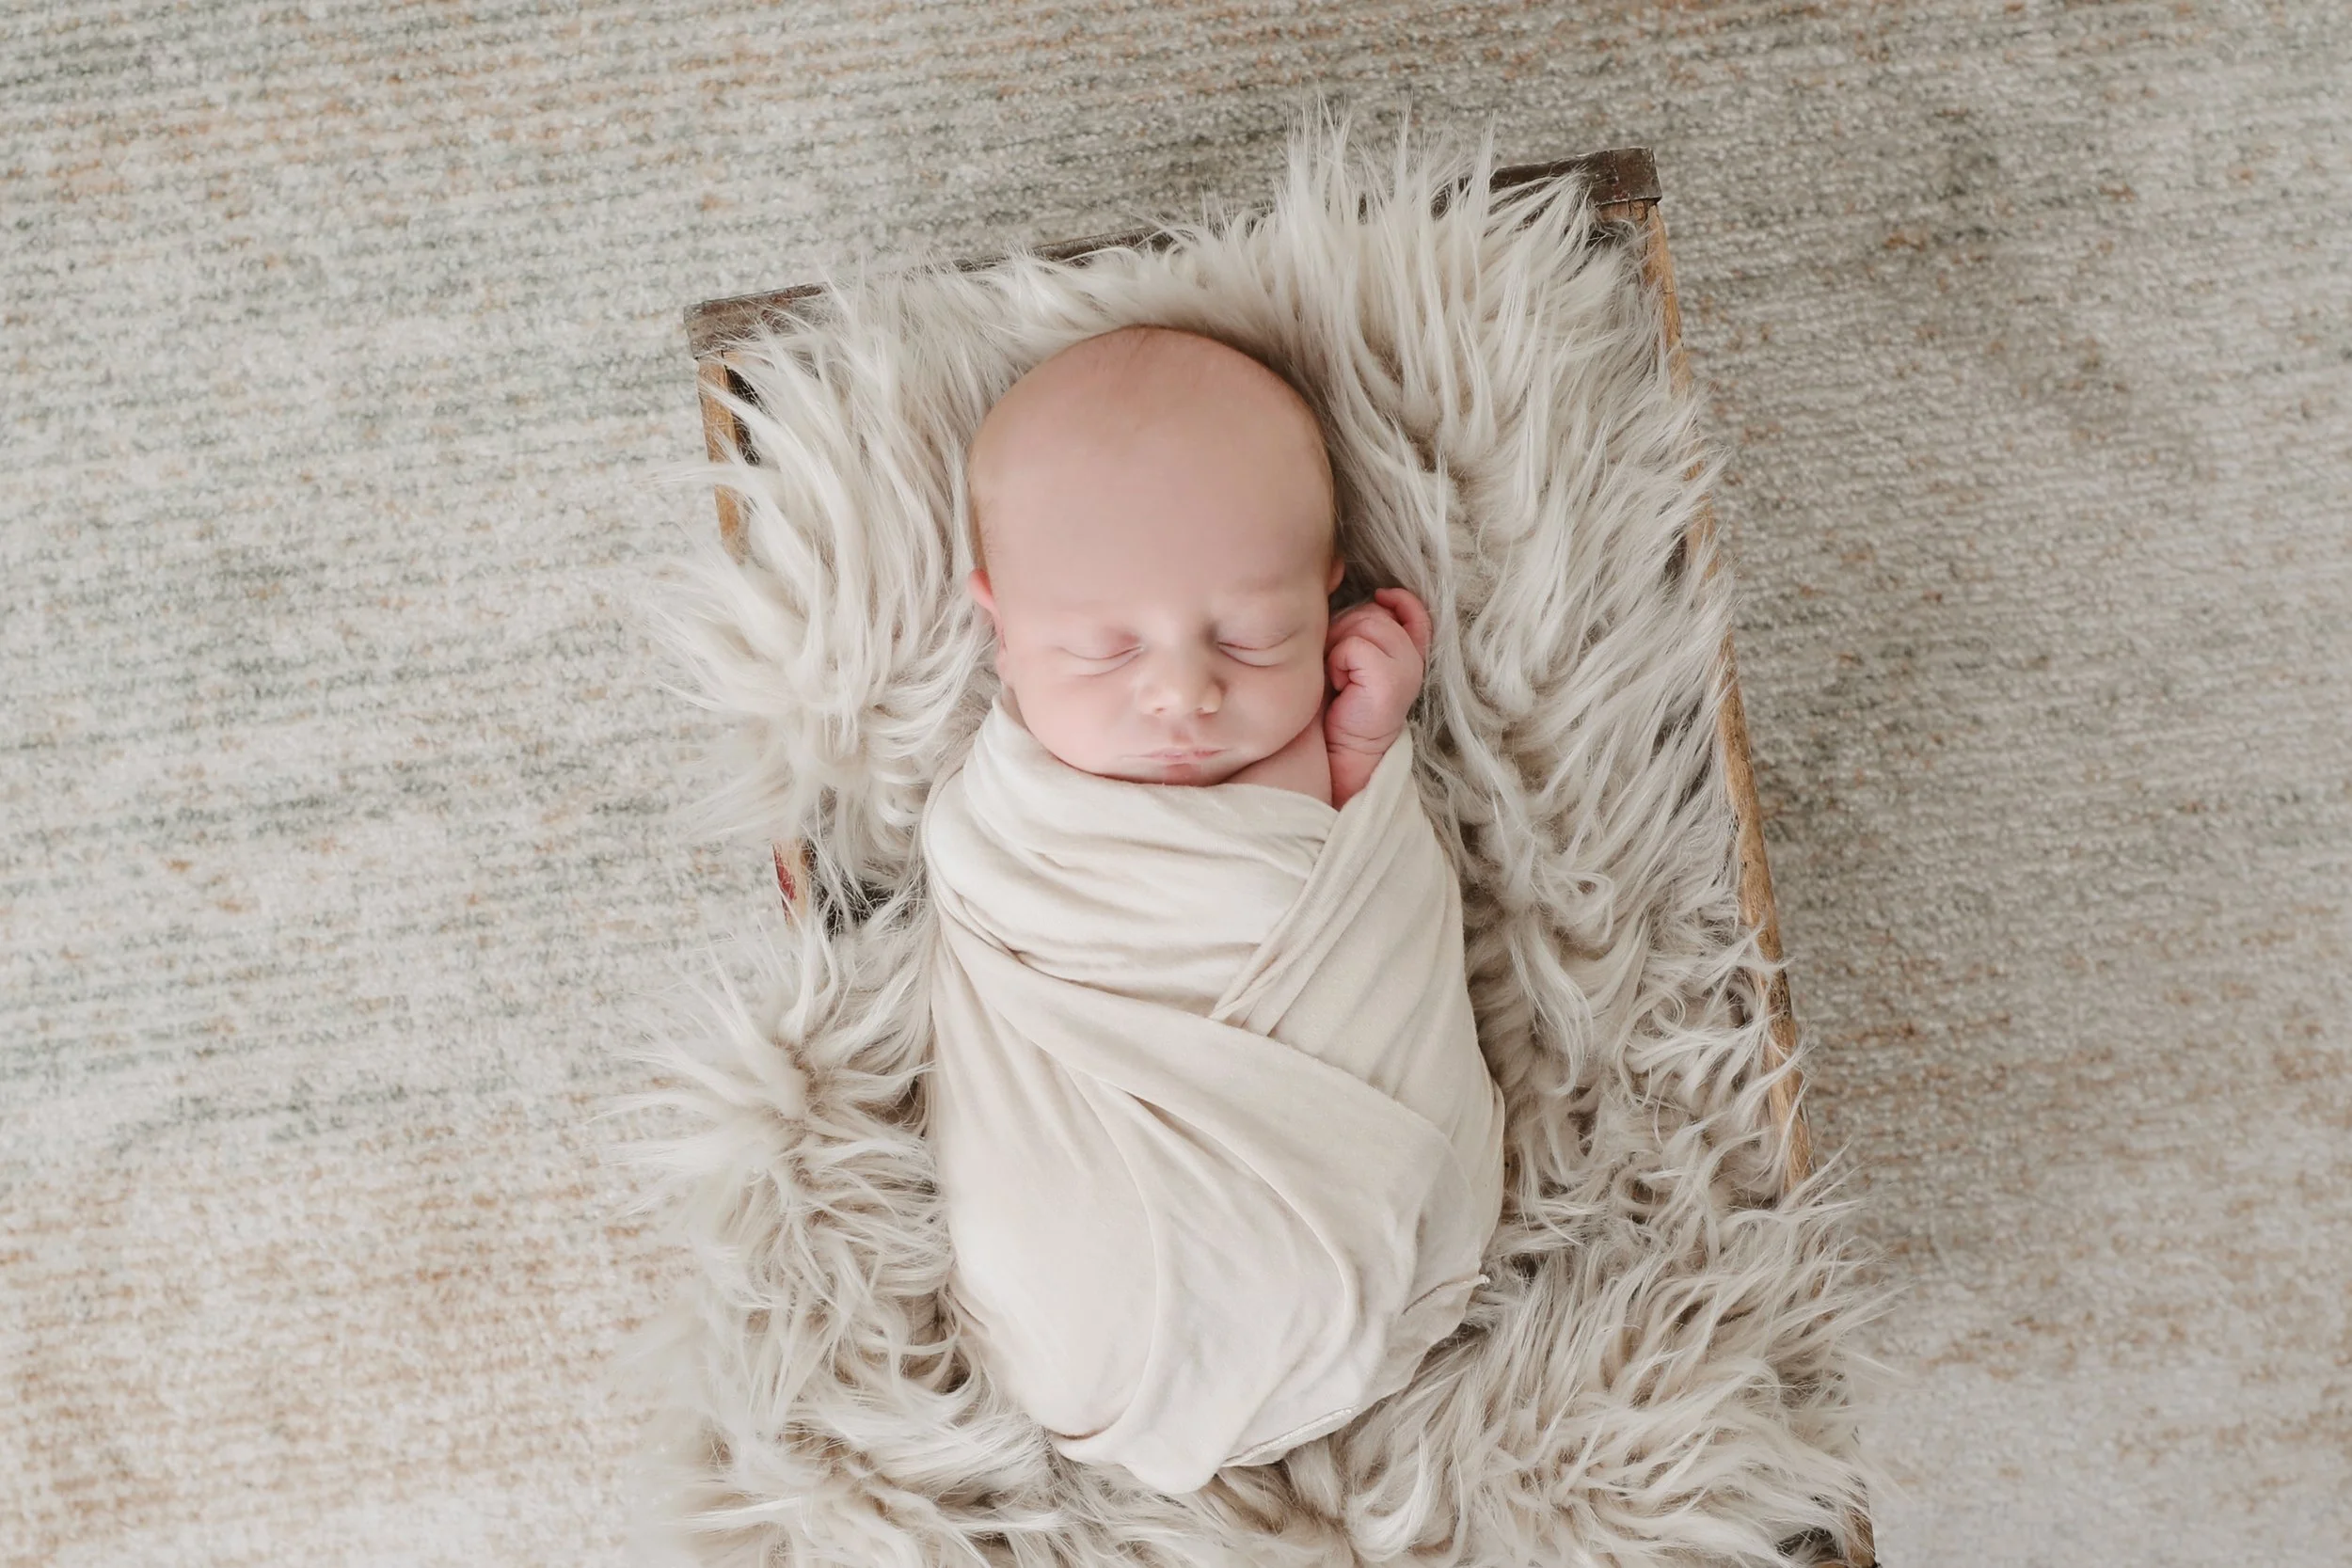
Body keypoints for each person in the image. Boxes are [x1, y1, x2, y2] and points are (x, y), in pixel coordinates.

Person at [918, 324, 1506, 1495]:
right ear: (1000, 619)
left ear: (1329, 581)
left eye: (1252, 634)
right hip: (1092, 1282)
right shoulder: (1018, 820)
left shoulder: (1304, 750)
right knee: (1049, 1242)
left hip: (1383, 1247)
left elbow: (1348, 882)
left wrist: (1360, 740)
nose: (1183, 691)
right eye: (1101, 647)